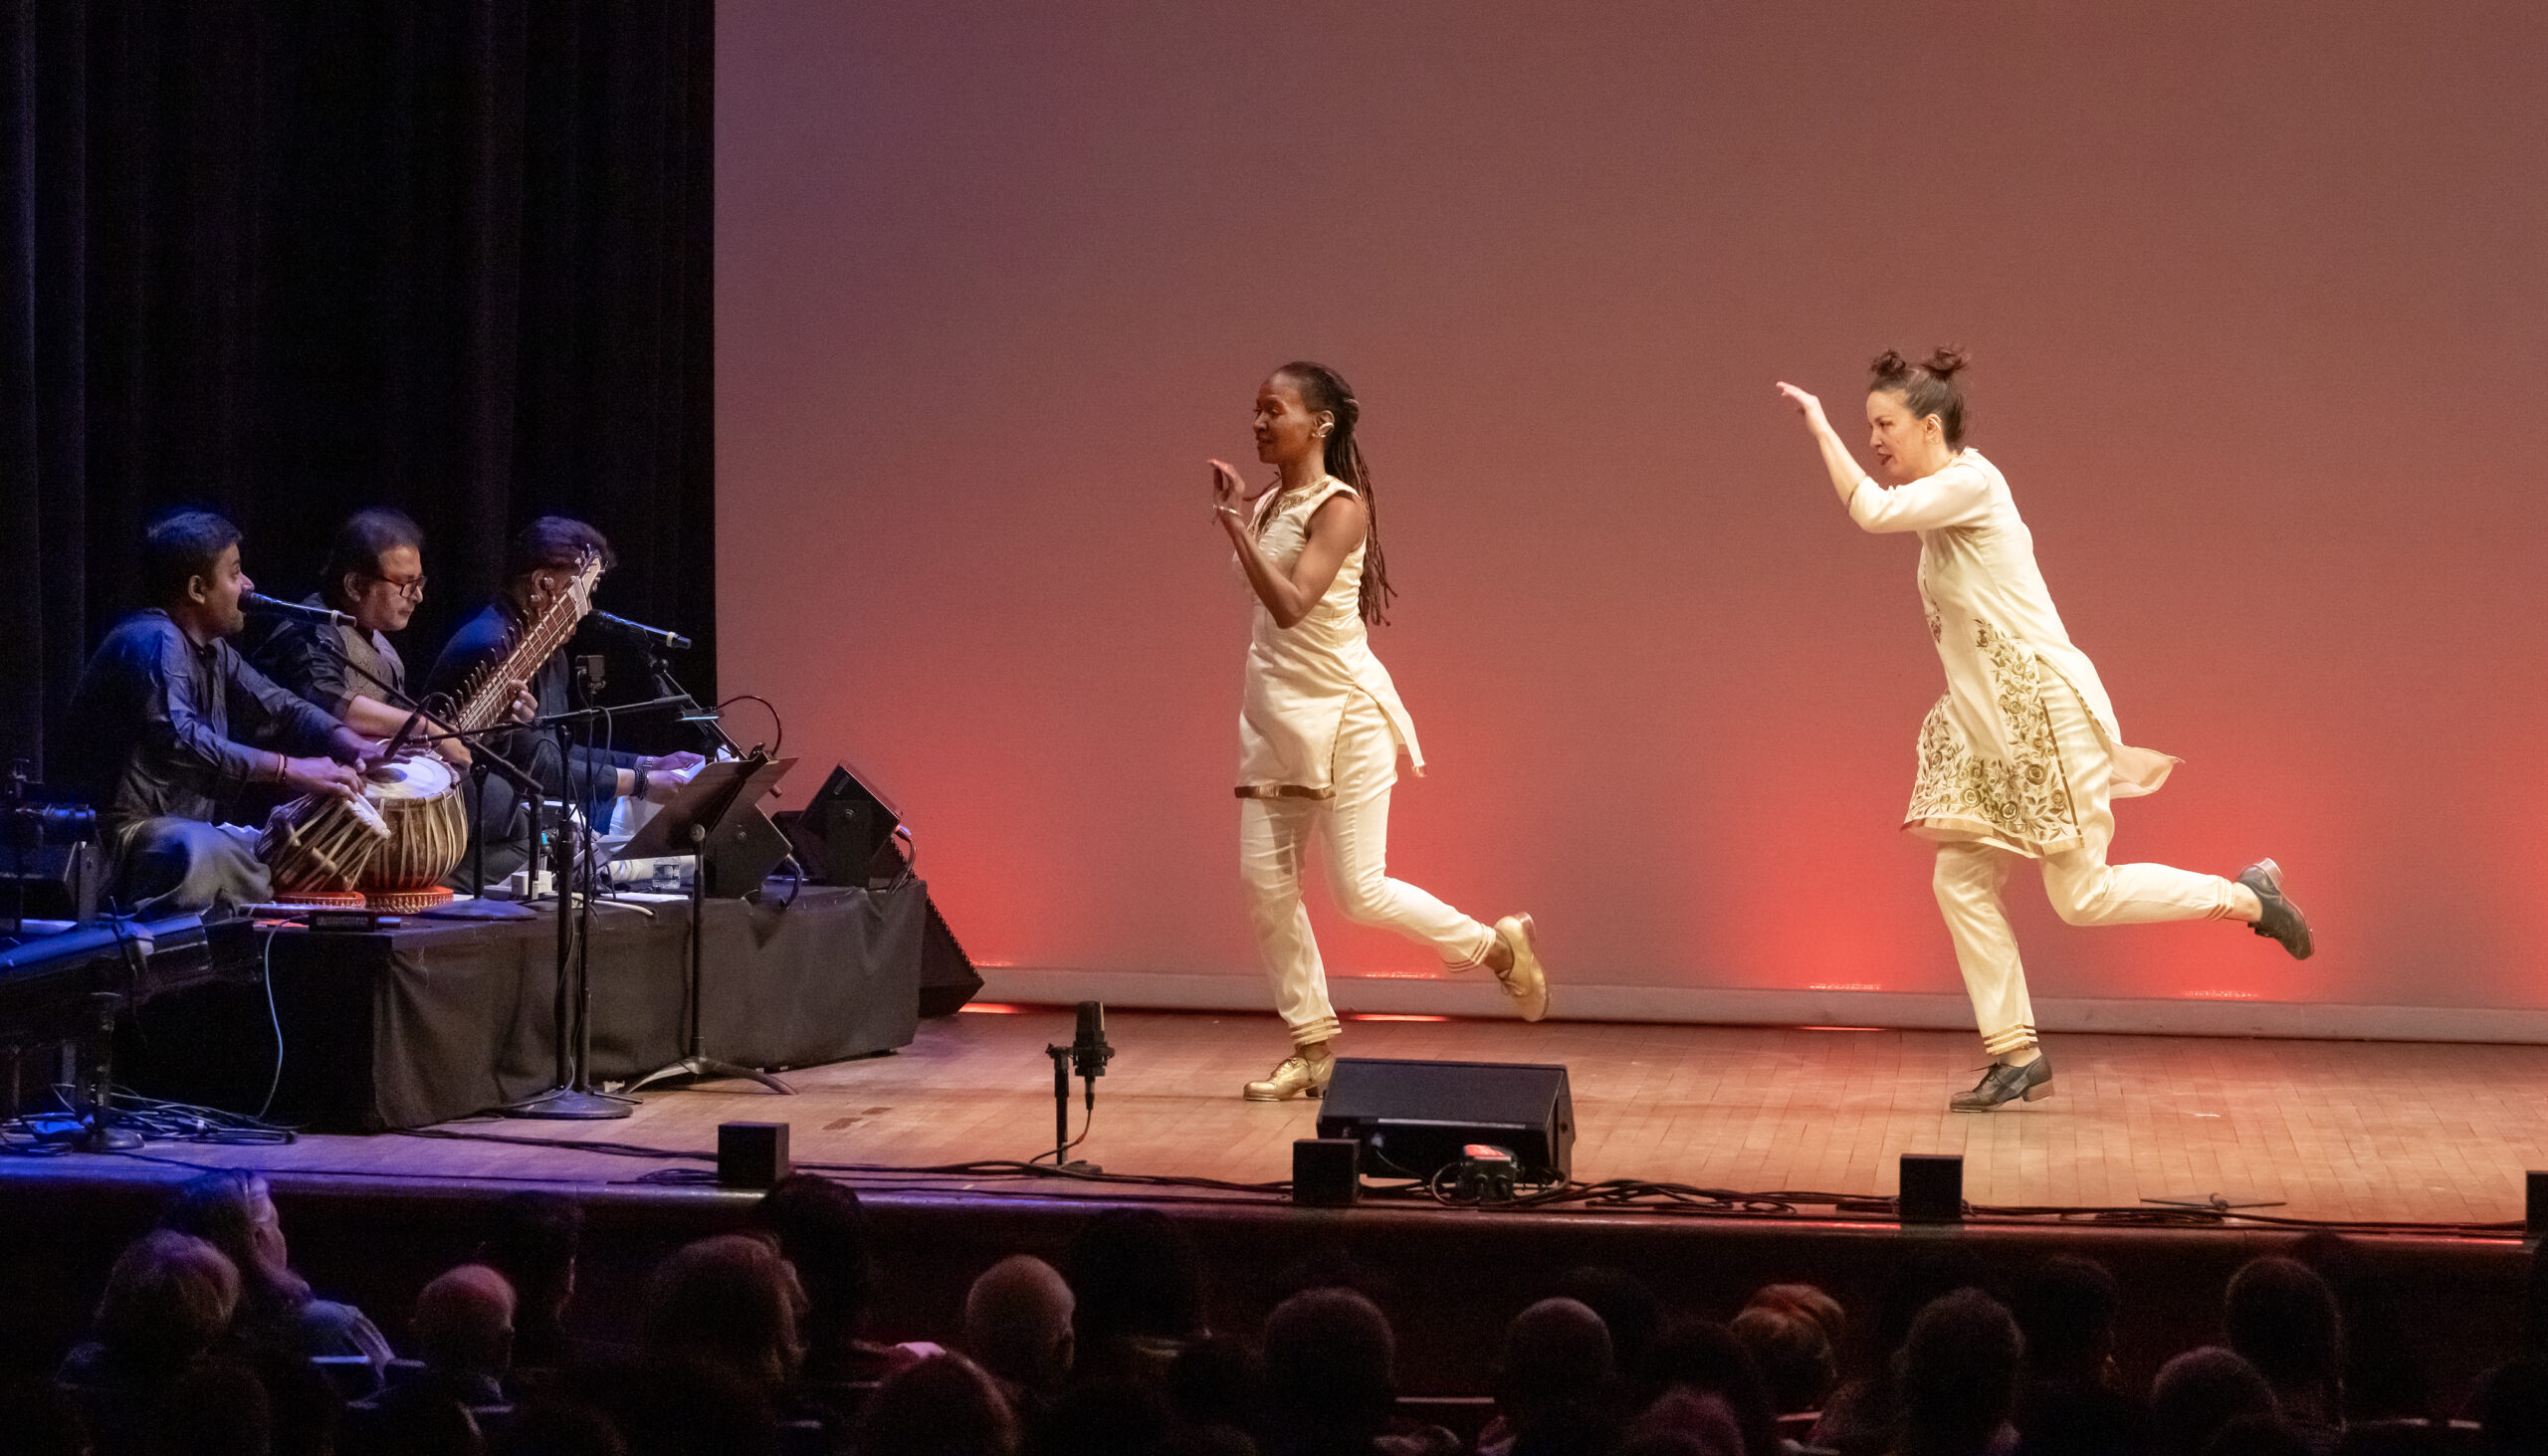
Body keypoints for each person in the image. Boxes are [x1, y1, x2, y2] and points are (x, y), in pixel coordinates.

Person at [1776, 351, 2314, 1112]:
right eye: (1867, 426)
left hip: (2042, 715)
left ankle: (2249, 898)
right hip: (1988, 724)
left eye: (1884, 424)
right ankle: (2016, 1052)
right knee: (1960, 880)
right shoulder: (1943, 499)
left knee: (2081, 896)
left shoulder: (1971, 482)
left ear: (1931, 426)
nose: (1874, 440)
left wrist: (1821, 428)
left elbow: (1870, 511)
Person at [1210, 361, 1552, 1101]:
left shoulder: (1341, 507)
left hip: (1344, 713)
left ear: (1320, 424)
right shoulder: (1271, 503)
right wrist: (1245, 513)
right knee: (1264, 886)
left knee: (1359, 892)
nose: (1261, 423)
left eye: (1275, 410)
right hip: (1274, 711)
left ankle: (1496, 948)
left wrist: (1235, 524)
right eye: (1257, 410)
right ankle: (1312, 1044)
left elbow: (1294, 603)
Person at [57, 511, 374, 915]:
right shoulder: (154, 641)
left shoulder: (213, 650)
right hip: (115, 842)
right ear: (197, 588)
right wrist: (291, 769)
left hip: (179, 832)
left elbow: (279, 705)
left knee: (274, 839)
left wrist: (349, 742)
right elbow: (182, 741)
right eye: (235, 573)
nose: (248, 585)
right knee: (205, 852)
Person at [422, 518, 701, 882]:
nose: (587, 607)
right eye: (586, 587)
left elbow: (554, 750)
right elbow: (539, 769)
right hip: (467, 830)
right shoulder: (493, 646)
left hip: (514, 822)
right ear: (544, 584)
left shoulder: (548, 653)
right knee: (574, 861)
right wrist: (640, 782)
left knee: (598, 856)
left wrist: (649, 764)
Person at [158, 1169, 395, 1378]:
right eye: (276, 1224)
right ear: (259, 1239)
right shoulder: (333, 1325)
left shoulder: (164, 1338)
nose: (282, 1236)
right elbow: (390, 1396)